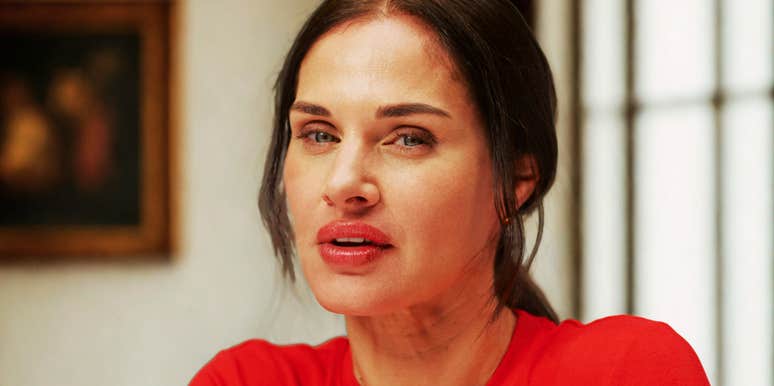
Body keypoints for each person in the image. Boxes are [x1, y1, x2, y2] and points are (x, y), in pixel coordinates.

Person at [191, 1, 710, 385]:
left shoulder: (624, 371)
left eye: (409, 138)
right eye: (319, 134)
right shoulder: (244, 379)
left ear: (514, 182)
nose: (343, 183)